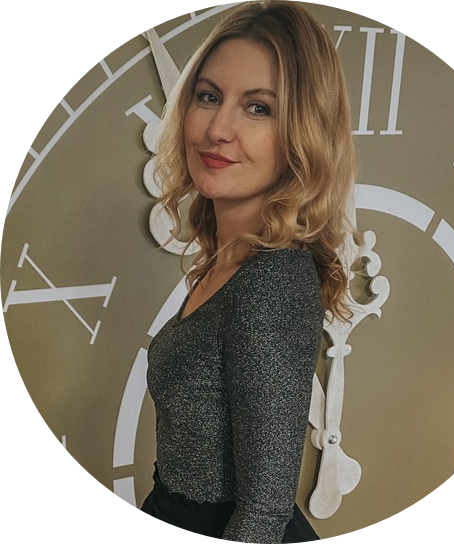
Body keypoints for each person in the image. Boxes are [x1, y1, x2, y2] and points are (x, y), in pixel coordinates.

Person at [141, 1, 360, 542]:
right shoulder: (230, 257)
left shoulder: (271, 283)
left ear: (302, 134)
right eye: (208, 96)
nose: (218, 128)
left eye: (258, 108)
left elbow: (264, 511)